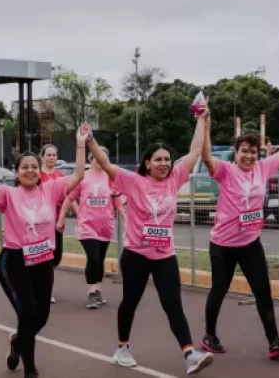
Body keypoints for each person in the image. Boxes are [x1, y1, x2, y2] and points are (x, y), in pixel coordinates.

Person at [86, 113, 214, 374]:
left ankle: (189, 354)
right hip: (136, 255)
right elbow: (106, 164)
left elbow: (194, 150)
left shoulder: (175, 179)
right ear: (147, 163)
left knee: (173, 305)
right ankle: (122, 347)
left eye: (167, 159)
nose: (164, 163)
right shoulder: (134, 182)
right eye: (158, 159)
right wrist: (89, 141)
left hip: (165, 256)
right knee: (130, 302)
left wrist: (201, 119)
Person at [0, 127, 89, 378]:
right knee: (28, 313)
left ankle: (18, 341)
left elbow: (79, 174)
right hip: (15, 261)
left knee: (41, 316)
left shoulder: (50, 190)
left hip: (42, 261)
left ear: (39, 171)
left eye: (33, 166)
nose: (29, 170)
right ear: (17, 173)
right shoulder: (9, 194)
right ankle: (30, 368)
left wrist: (81, 144)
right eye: (24, 167)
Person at [199, 110, 279, 359]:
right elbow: (206, 156)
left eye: (253, 151)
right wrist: (206, 127)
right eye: (244, 151)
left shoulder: (263, 168)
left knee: (263, 290)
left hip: (250, 243)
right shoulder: (226, 171)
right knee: (219, 289)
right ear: (236, 153)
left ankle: (274, 341)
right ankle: (209, 335)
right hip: (223, 244)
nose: (249, 155)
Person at [56, 145, 126, 309]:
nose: (99, 160)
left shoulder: (111, 178)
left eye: (103, 157)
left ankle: (99, 289)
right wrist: (61, 218)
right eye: (96, 157)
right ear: (91, 158)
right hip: (87, 225)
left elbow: (117, 202)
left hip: (105, 226)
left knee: (100, 259)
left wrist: (126, 219)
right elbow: (69, 198)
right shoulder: (83, 177)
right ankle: (91, 292)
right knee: (93, 258)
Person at [39, 144, 65, 304]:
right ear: (42, 157)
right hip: (41, 223)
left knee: (56, 257)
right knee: (44, 257)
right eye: (48, 155)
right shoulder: (37, 175)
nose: (51, 157)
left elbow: (67, 197)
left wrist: (62, 217)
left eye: (54, 155)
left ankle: (44, 280)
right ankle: (46, 289)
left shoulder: (61, 176)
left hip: (56, 221)